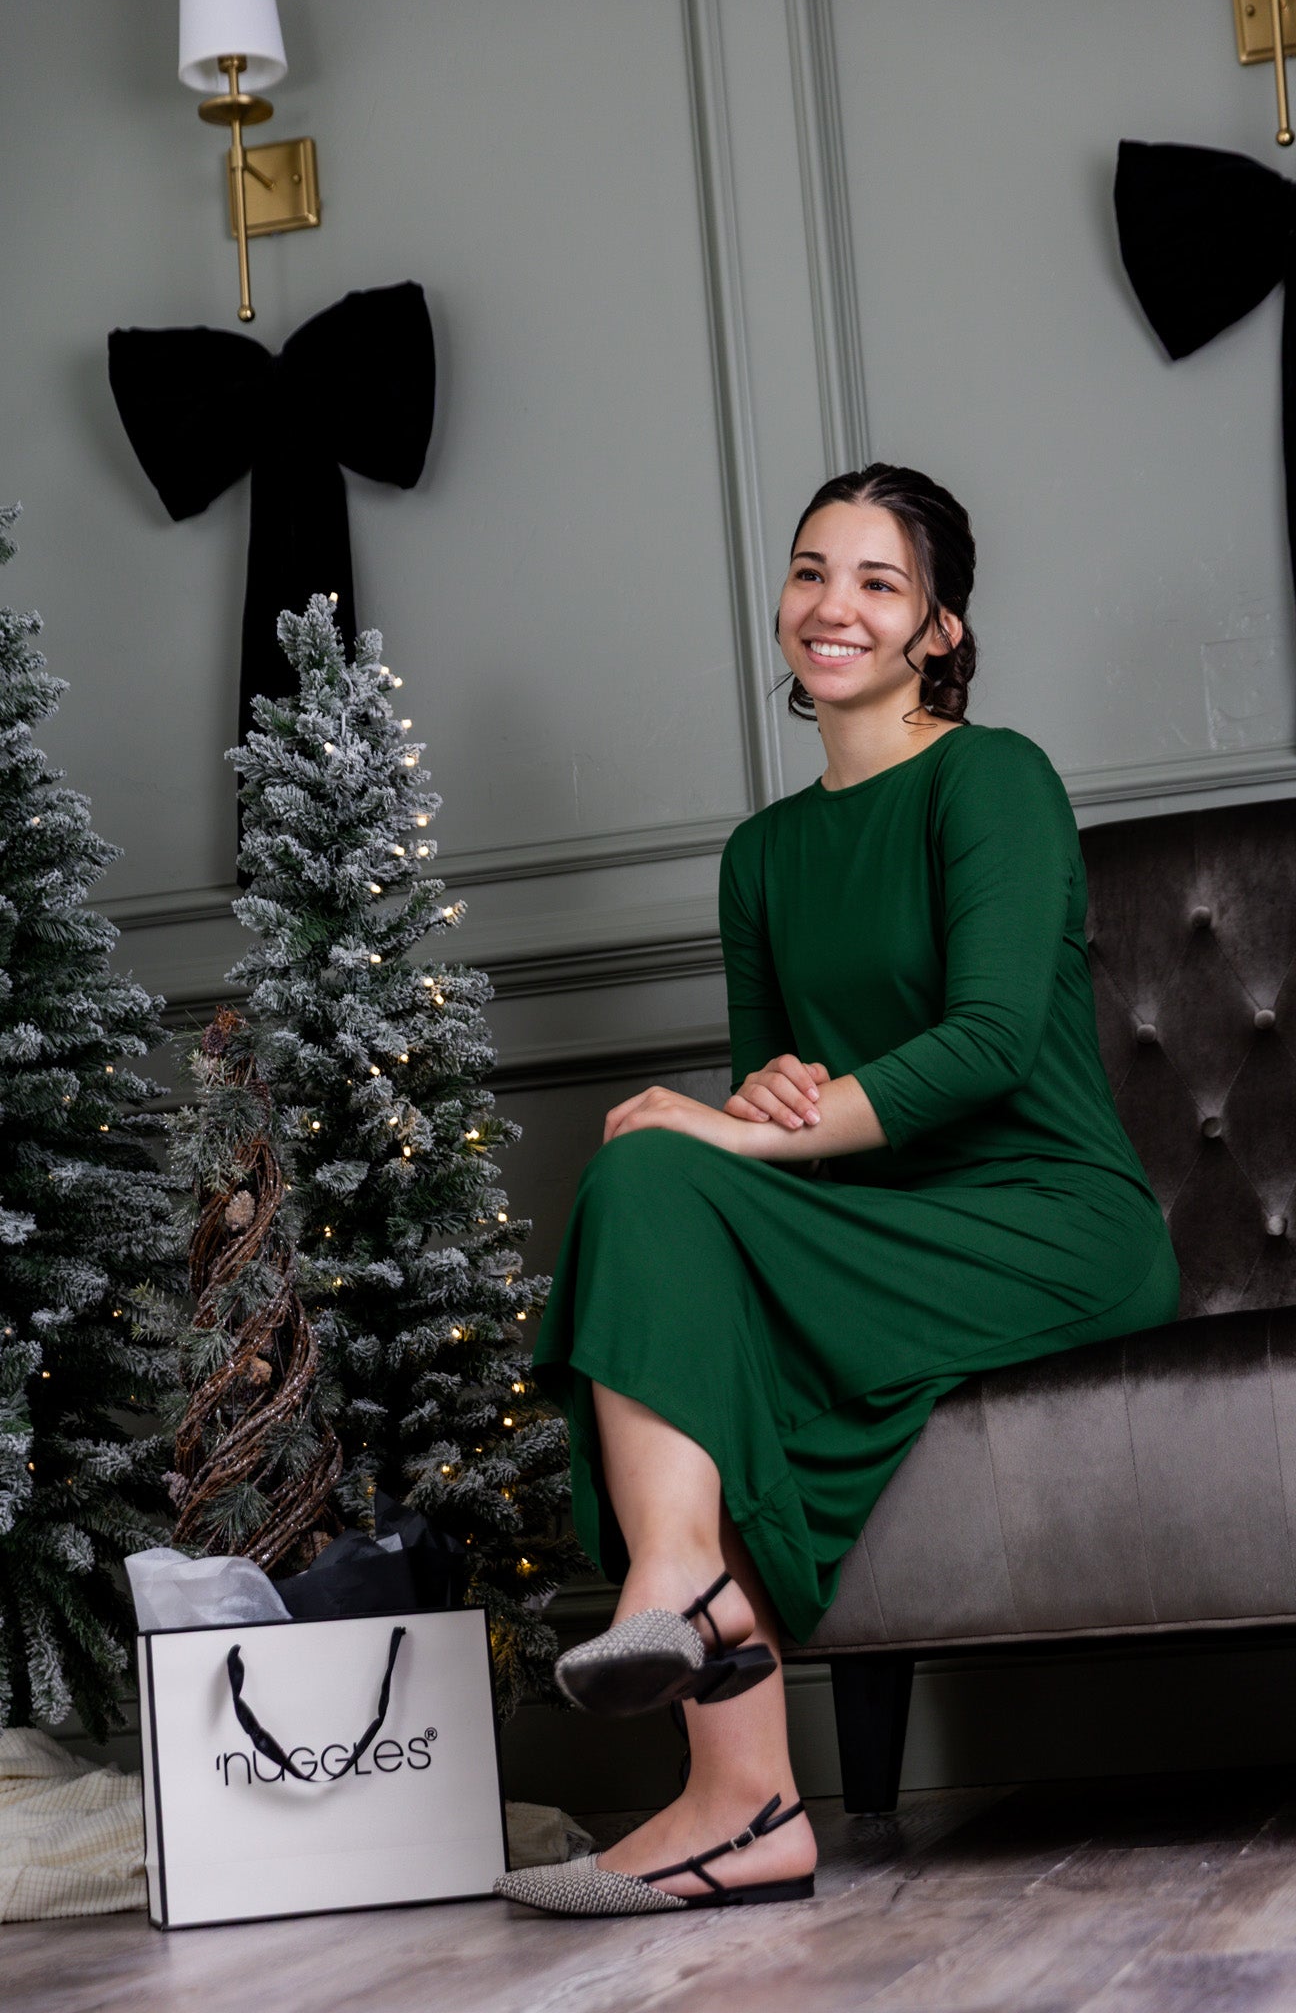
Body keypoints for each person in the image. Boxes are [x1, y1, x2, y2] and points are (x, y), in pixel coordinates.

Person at [493, 463, 1180, 1918]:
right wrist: (752, 1111)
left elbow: (992, 1045)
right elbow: (782, 1086)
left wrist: (742, 1137)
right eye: (812, 572)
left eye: (877, 581)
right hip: (879, 1220)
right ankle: (718, 1719)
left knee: (677, 1176)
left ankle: (722, 1752)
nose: (834, 607)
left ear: (938, 626)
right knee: (646, 1176)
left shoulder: (992, 778)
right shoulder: (759, 857)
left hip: (1042, 1221)